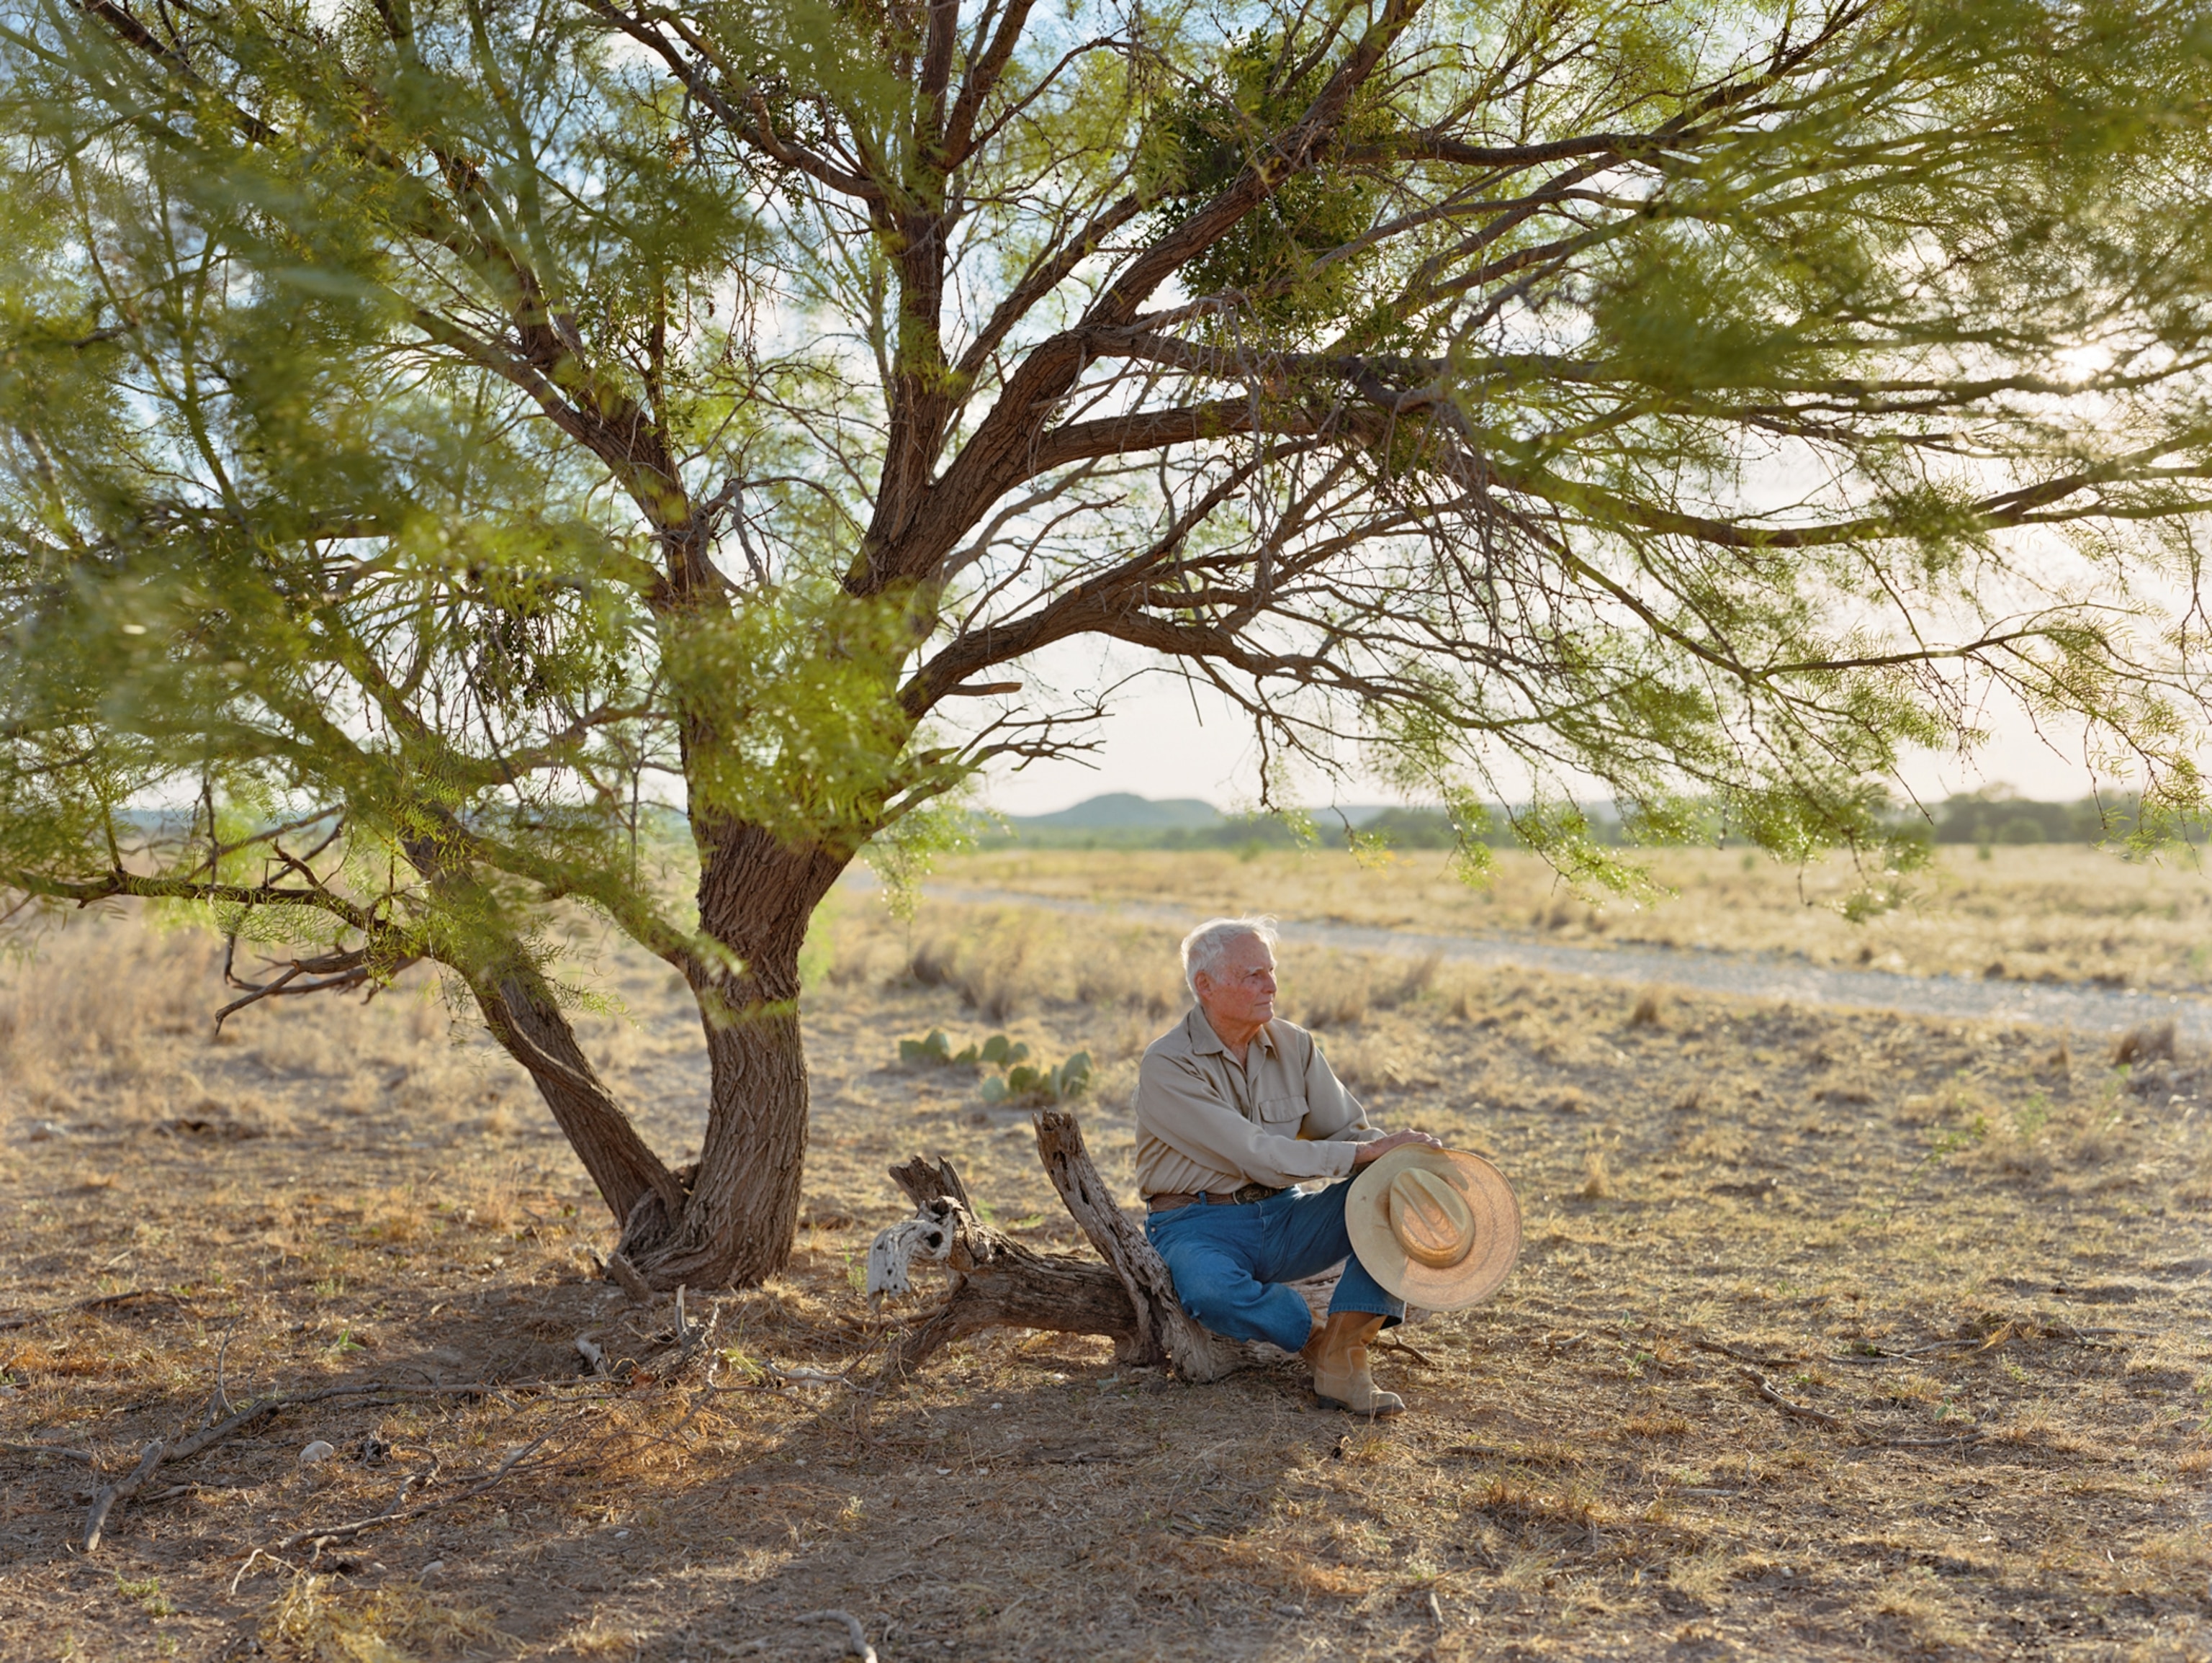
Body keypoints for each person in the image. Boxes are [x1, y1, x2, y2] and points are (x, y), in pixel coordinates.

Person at [1133, 916, 1444, 1415]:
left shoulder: (1294, 1044)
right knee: (1211, 1291)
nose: (1272, 985)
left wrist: (1393, 1155)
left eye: (1271, 971)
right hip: (1198, 1224)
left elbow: (1348, 1132)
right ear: (1205, 986)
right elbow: (1256, 1153)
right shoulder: (1168, 1064)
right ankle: (1320, 1344)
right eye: (1253, 974)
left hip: (1285, 1216)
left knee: (1392, 1188)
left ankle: (1346, 1358)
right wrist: (1360, 1154)